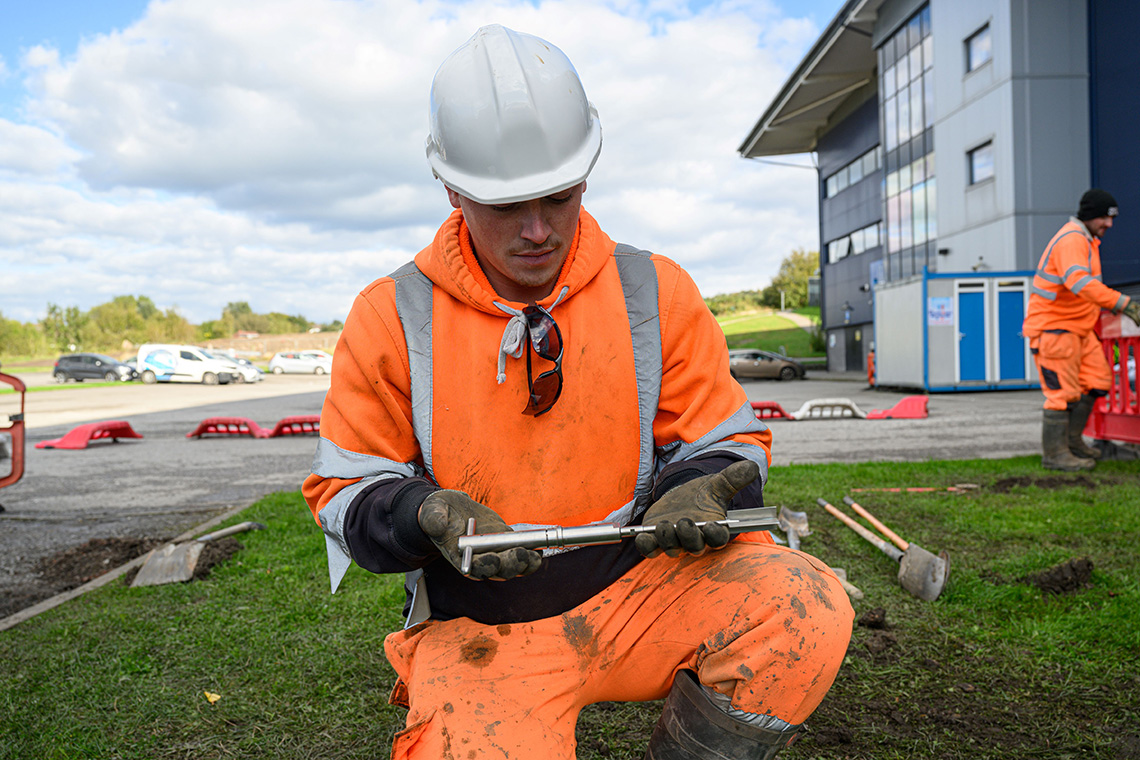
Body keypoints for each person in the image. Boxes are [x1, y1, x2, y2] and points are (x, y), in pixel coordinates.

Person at [303, 25, 852, 759]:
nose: (537, 231)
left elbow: (723, 440)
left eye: (558, 199)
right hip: (482, 629)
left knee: (803, 608)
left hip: (646, 593)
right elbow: (347, 490)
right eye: (506, 207)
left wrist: (697, 486)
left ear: (586, 176)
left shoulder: (653, 292)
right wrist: (421, 512)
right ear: (453, 188)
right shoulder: (392, 315)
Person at [1022, 189, 1140, 471]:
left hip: (1078, 330)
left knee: (1098, 381)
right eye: (1103, 218)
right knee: (1061, 394)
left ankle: (1072, 444)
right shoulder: (1072, 239)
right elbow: (1079, 283)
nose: (1108, 225)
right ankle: (1055, 454)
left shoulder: (1087, 241)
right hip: (1054, 331)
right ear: (1089, 215)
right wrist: (1123, 303)